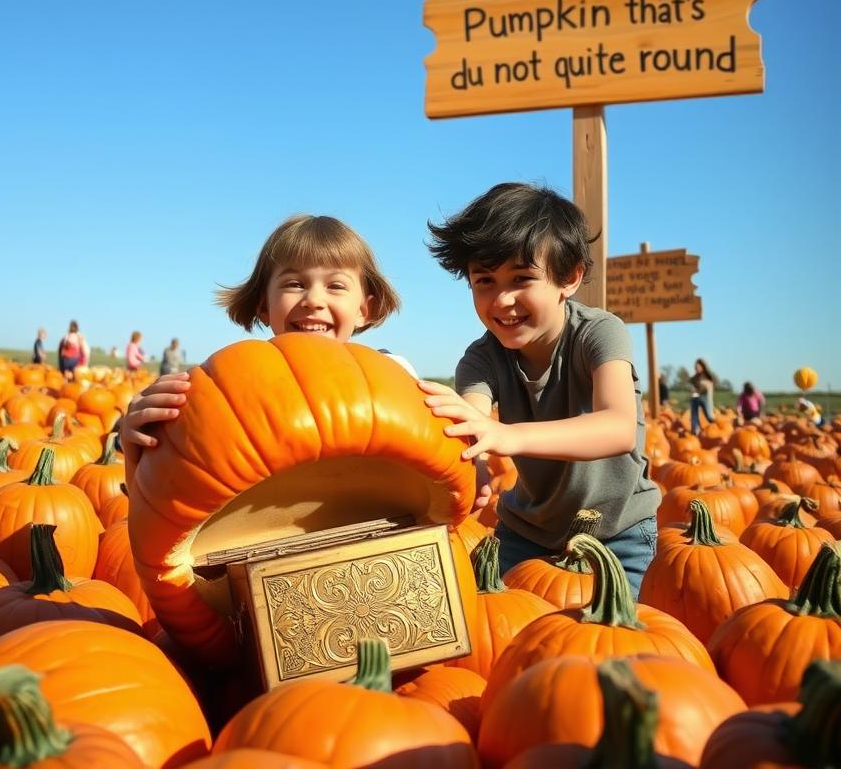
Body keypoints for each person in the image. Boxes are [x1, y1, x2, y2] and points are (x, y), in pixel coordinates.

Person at [420, 182, 660, 598]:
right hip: (525, 535)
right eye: (485, 281)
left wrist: (509, 436)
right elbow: (469, 427)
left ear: (569, 278)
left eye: (522, 278)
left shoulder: (599, 334)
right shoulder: (480, 360)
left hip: (619, 533)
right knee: (502, 636)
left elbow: (619, 426)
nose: (502, 299)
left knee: (615, 645)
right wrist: (468, 466)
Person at [119, 214, 402, 489]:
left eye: (335, 286)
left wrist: (447, 421)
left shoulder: (395, 381)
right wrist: (138, 452)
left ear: (364, 310)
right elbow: (169, 506)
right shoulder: (230, 390)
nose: (314, 299)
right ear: (264, 306)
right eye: (295, 284)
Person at [688, 359, 717, 435]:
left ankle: (717, 425)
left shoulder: (707, 377)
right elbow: (692, 388)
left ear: (703, 367)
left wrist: (700, 388)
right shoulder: (695, 378)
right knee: (694, 402)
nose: (697, 368)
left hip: (706, 398)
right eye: (696, 367)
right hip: (698, 396)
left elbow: (708, 389)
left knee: (709, 416)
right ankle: (696, 427)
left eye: (698, 367)